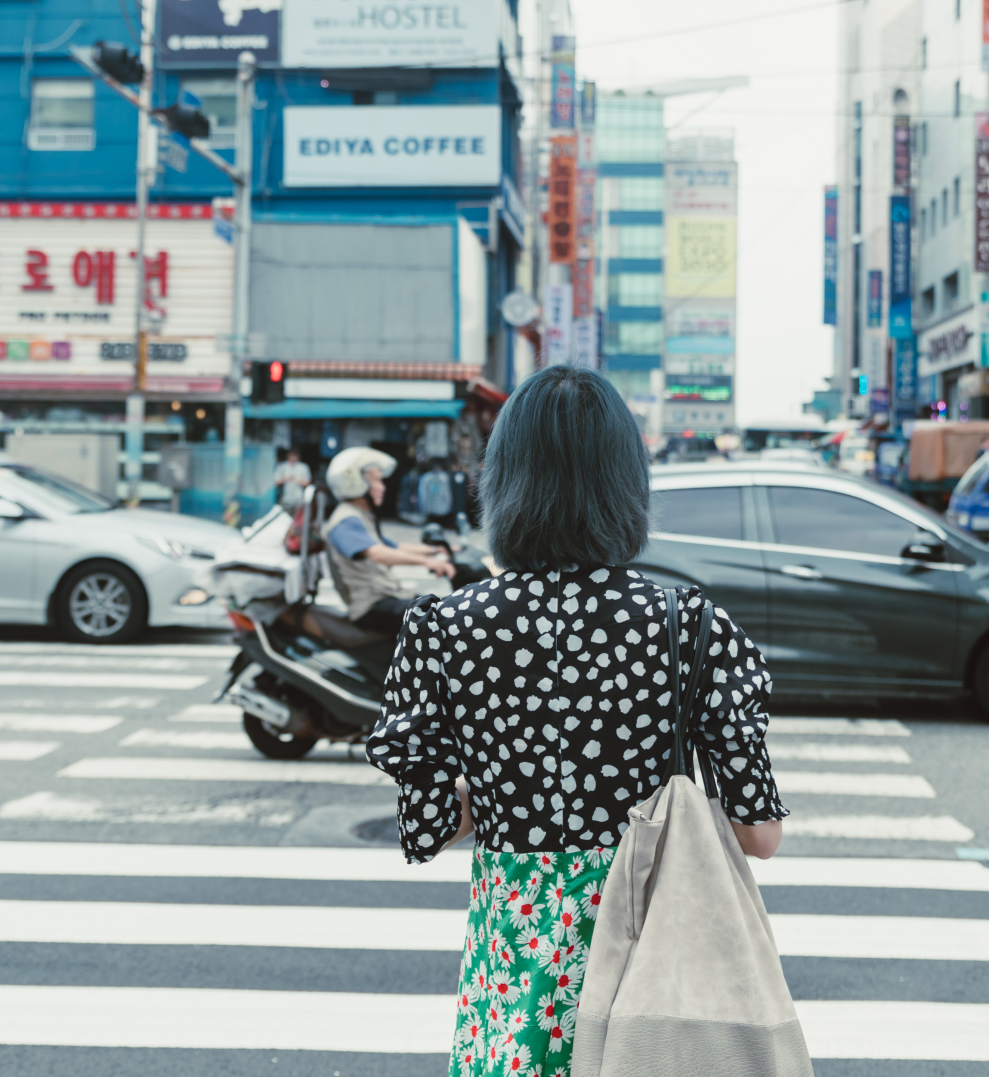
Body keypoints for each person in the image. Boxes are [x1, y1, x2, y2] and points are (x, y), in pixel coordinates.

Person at [368, 365, 785, 1077]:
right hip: (652, 960)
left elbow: (433, 826)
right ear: (627, 483)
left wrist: (506, 788)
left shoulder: (444, 629)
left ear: (501, 483)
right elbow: (759, 834)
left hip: (515, 976)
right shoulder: (688, 626)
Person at [322, 446, 456, 636]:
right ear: (354, 482)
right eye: (377, 481)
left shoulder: (360, 516)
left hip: (386, 595)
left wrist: (435, 550)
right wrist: (428, 562)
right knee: (440, 621)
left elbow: (392, 546)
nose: (383, 487)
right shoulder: (345, 520)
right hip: (370, 605)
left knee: (443, 609)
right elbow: (376, 552)